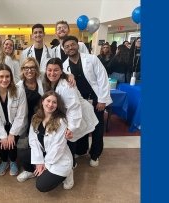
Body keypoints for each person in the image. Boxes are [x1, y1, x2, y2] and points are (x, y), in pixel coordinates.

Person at [62, 36, 112, 167]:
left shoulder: (91, 59)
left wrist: (102, 100)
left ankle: (95, 155)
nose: (70, 48)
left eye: (72, 45)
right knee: (81, 125)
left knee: (97, 127)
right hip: (79, 101)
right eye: (67, 46)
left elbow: (103, 78)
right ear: (64, 50)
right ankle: (82, 150)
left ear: (77, 45)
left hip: (95, 99)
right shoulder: (64, 66)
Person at [44, 58, 98, 168]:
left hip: (79, 112)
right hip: (69, 112)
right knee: (74, 138)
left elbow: (74, 107)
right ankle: (79, 154)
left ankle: (72, 164)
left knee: (70, 137)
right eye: (49, 70)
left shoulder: (66, 85)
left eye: (56, 70)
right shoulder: (53, 80)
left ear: (61, 71)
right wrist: (70, 74)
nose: (52, 73)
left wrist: (71, 127)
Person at [17, 91, 74, 192]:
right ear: (42, 101)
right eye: (48, 101)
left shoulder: (61, 121)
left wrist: (45, 165)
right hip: (45, 153)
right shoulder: (36, 117)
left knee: (41, 185)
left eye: (54, 102)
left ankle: (68, 173)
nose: (50, 104)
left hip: (59, 158)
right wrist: (38, 162)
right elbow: (33, 140)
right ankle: (30, 171)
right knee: (22, 153)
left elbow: (58, 147)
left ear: (57, 105)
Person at [0, 64, 28, 176]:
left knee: (12, 143)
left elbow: (21, 115)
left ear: (11, 77)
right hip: (0, 123)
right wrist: (3, 134)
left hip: (16, 123)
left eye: (7, 76)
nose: (4, 80)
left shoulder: (19, 91)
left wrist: (12, 134)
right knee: (1, 143)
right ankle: (5, 161)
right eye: (1, 76)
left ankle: (13, 161)